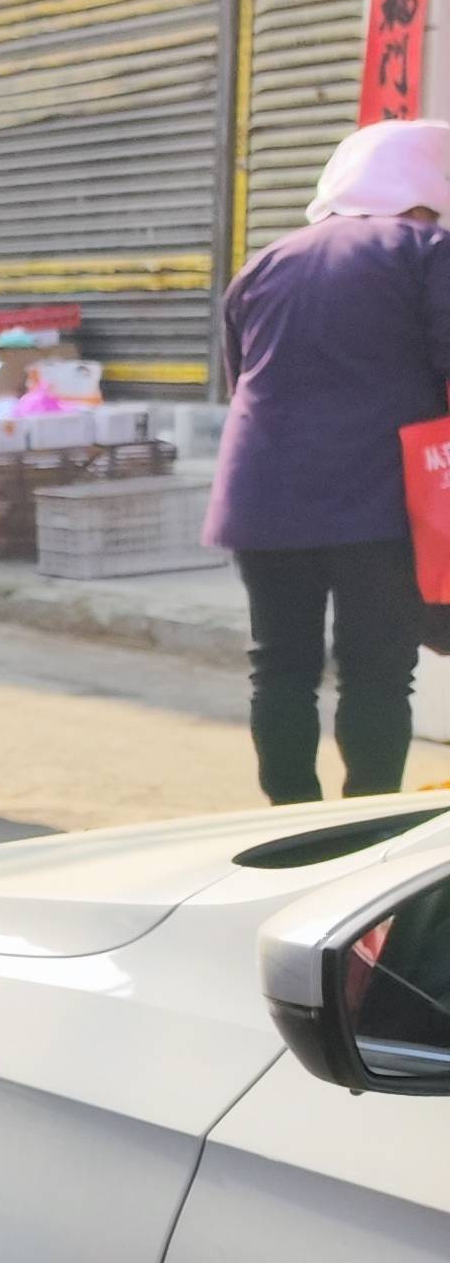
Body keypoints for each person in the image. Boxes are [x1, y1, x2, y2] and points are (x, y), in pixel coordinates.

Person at [207, 120, 450, 804]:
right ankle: (365, 832)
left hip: (261, 496)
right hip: (377, 502)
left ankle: (288, 829)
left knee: (279, 668)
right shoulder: (427, 250)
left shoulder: (269, 259)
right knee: (377, 672)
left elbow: (241, 376)